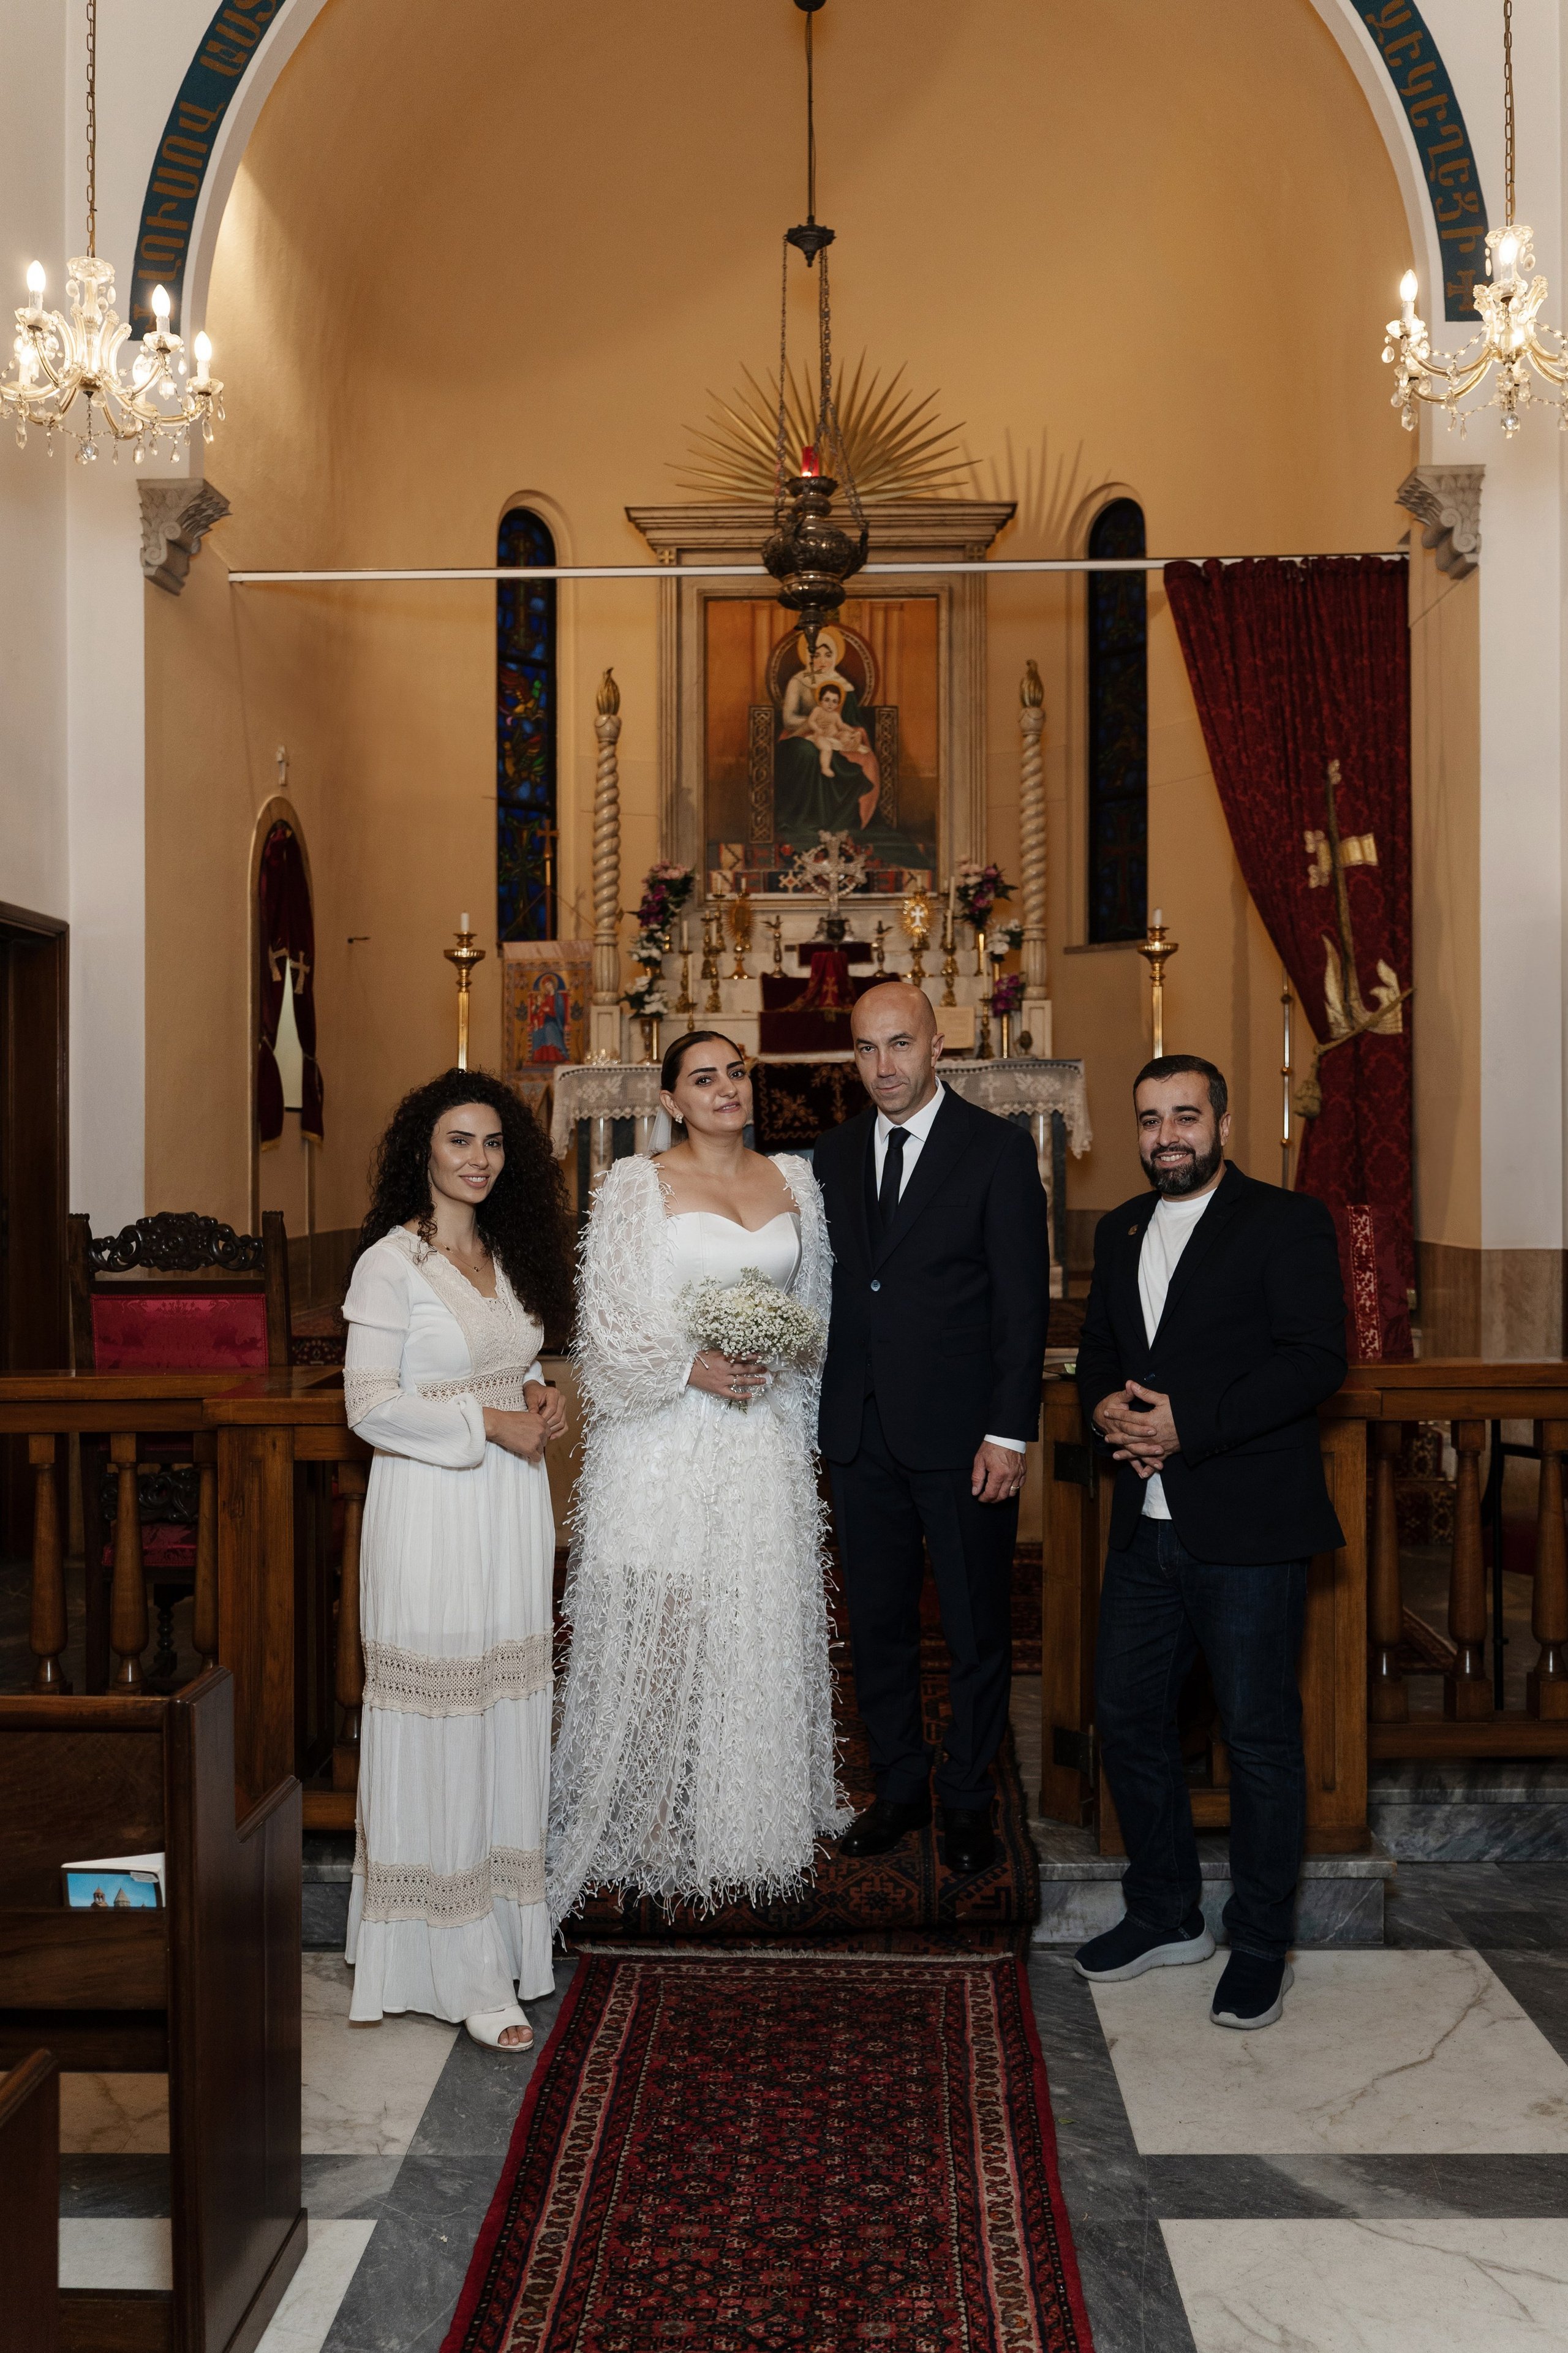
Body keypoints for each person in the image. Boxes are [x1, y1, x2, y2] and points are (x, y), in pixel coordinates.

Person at [546, 1031, 848, 1921]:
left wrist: (778, 1364)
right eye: (704, 1078)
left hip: (764, 1434)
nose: (726, 1089)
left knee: (750, 1612)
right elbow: (605, 1331)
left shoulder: (795, 1181)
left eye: (737, 1073)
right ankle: (645, 1820)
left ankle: (742, 1818)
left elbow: (815, 1313)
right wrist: (692, 1368)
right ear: (672, 1099)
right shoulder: (635, 1186)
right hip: (665, 1434)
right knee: (669, 1614)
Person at [1072, 1054, 1347, 2031]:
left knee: (1259, 1739)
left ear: (1222, 1125)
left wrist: (1196, 1424)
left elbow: (1318, 1357)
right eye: (1149, 1119)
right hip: (1144, 1530)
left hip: (1245, 1527)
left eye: (1185, 1116)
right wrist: (1103, 1400)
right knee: (1129, 1716)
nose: (1165, 1137)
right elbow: (1102, 1345)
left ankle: (1262, 1939)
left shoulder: (1284, 1220)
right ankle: (1166, 1910)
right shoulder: (1120, 1229)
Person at [342, 1069, 574, 2052]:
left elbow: (503, 1354)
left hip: (510, 1511)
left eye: (492, 1144)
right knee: (443, 1712)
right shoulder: (390, 1263)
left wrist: (538, 1395)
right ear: (422, 1152)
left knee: (502, 1710)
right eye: (458, 1142)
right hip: (432, 1508)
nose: (478, 1160)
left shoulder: (507, 1252)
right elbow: (369, 1404)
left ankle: (508, 1935)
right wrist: (494, 1422)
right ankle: (456, 1960)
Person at [812, 983, 1050, 1876]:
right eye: (868, 1050)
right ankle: (900, 1785)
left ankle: (966, 1798)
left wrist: (1008, 1432)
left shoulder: (994, 1150)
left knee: (976, 1626)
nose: (885, 1067)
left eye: (900, 1044)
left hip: (963, 1437)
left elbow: (1023, 1308)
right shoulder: (830, 1155)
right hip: (861, 1430)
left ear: (938, 1044)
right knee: (876, 1624)